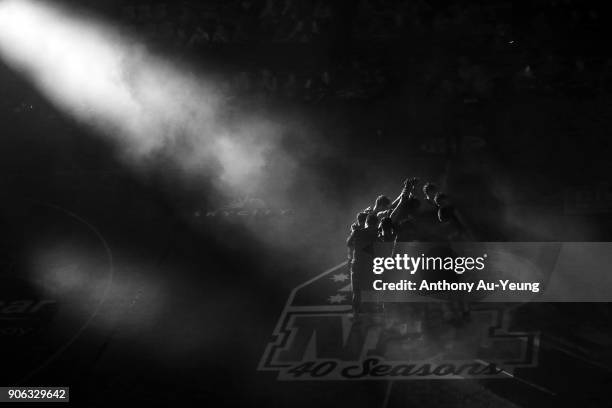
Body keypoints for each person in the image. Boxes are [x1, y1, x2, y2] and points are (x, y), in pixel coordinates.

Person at [346, 213, 379, 314]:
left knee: (357, 294)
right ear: (377, 223)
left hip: (357, 266)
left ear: (366, 222)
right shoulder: (377, 235)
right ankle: (369, 317)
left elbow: (348, 243)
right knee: (369, 293)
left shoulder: (358, 232)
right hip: (370, 268)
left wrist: (354, 231)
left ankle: (357, 316)